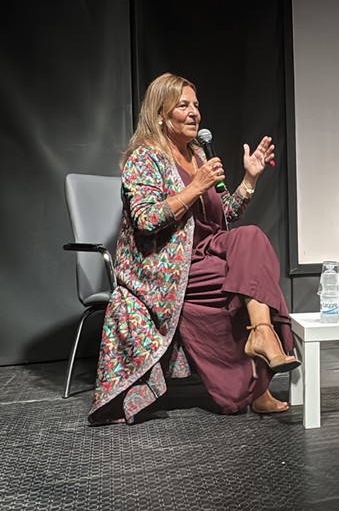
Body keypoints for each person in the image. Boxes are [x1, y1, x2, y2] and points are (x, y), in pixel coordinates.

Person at [88, 73, 299, 424]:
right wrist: (195, 187)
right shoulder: (145, 158)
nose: (193, 113)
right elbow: (145, 219)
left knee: (251, 238)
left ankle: (261, 334)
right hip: (166, 262)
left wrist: (249, 180)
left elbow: (224, 215)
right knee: (251, 282)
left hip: (208, 252)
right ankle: (255, 387)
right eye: (183, 105)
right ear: (160, 113)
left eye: (196, 105)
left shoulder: (198, 153)